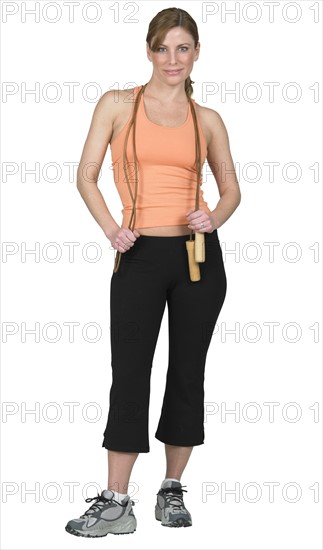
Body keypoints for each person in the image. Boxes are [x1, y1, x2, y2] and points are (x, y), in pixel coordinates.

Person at [65, 6, 241, 538]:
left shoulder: (207, 119)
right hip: (139, 255)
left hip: (197, 258)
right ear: (148, 51)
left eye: (183, 48)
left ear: (196, 53)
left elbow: (231, 187)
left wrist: (215, 215)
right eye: (163, 48)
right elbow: (86, 175)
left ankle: (171, 490)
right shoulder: (118, 105)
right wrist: (110, 230)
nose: (173, 59)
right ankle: (117, 499)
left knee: (187, 373)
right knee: (130, 373)